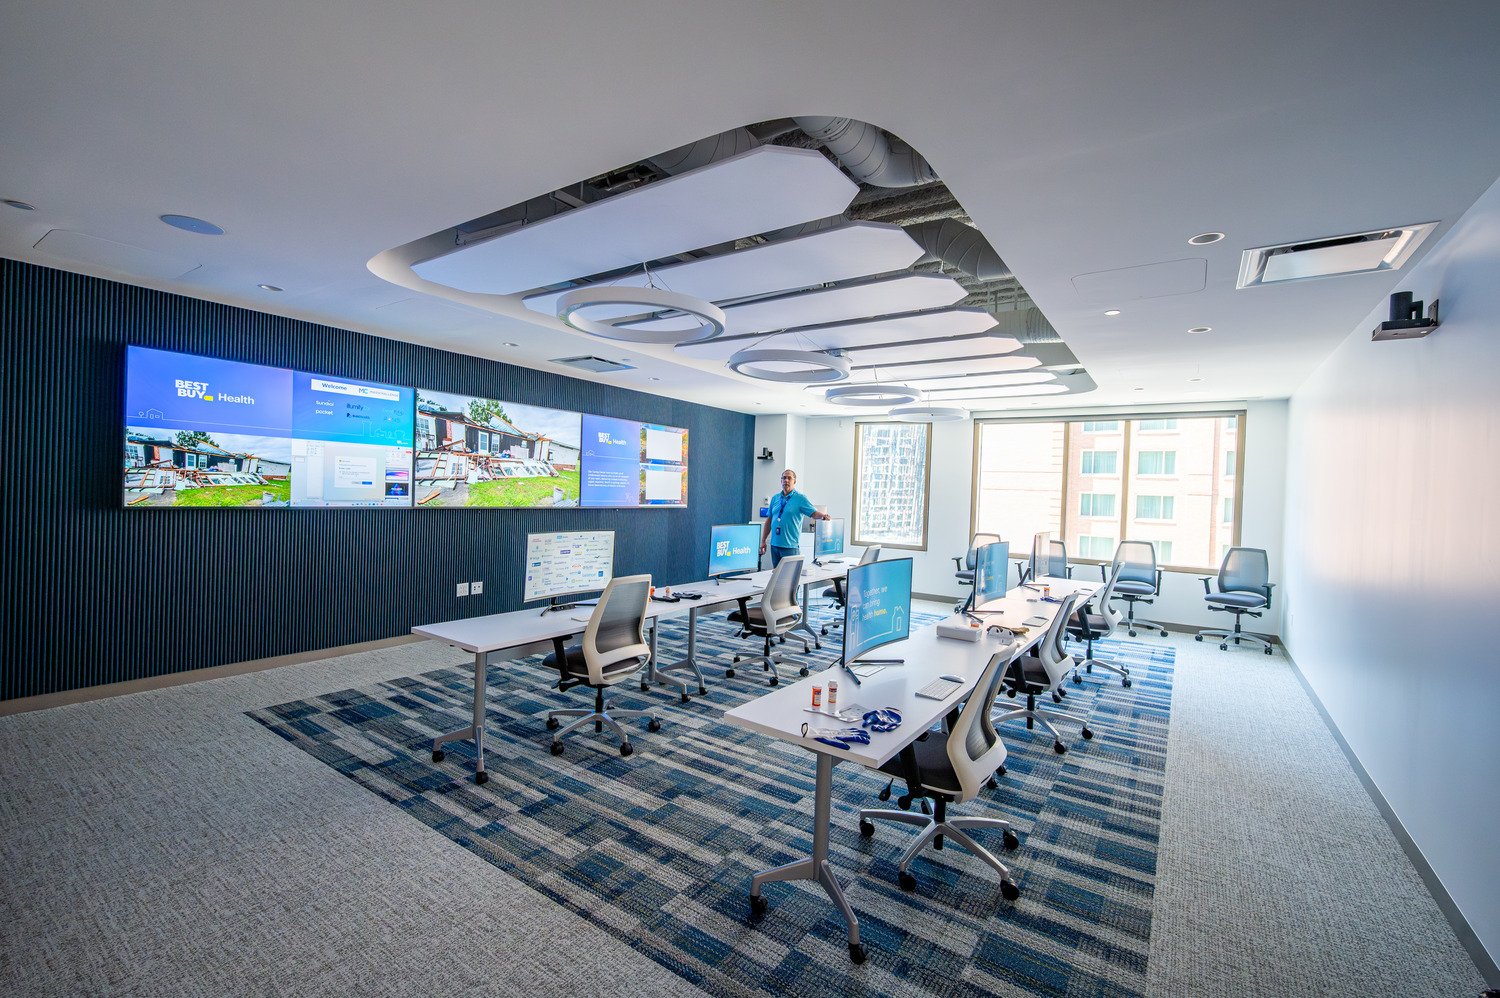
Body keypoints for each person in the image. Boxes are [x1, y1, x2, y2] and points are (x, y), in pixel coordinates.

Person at [761, 469, 830, 567]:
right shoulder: (775, 498)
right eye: (784, 478)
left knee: (791, 579)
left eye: (789, 478)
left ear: (794, 481)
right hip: (774, 546)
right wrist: (763, 541)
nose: (786, 480)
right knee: (776, 578)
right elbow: (769, 520)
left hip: (790, 547)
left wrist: (823, 516)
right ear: (781, 481)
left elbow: (813, 513)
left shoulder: (800, 498)